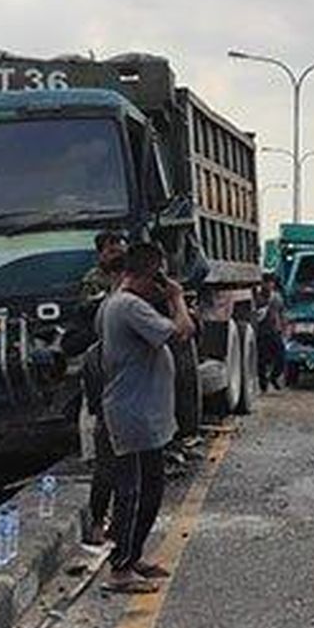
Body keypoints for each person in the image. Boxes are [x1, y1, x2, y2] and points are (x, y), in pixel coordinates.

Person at [98, 242, 196, 593]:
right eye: (159, 275)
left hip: (143, 415)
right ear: (148, 274)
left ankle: (133, 554)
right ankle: (120, 569)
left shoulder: (124, 303)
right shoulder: (128, 306)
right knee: (134, 494)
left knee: (150, 491)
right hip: (133, 414)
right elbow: (183, 331)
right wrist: (175, 297)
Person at [79, 231, 126, 546]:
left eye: (120, 247)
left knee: (126, 467)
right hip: (108, 383)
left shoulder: (130, 290)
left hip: (127, 387)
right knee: (108, 464)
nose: (117, 251)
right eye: (111, 249)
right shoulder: (96, 286)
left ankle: (116, 528)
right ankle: (99, 523)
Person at [256, 273, 286, 391]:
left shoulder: (277, 297)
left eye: (271, 282)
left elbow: (282, 312)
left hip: (275, 331)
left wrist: (283, 327)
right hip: (262, 333)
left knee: (281, 357)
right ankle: (263, 383)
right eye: (266, 282)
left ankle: (274, 377)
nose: (269, 285)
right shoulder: (258, 298)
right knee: (262, 360)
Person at [81, 230, 127, 300]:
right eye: (112, 252)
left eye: (120, 252)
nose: (117, 256)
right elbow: (87, 304)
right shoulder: (93, 278)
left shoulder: (132, 273)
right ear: (101, 255)